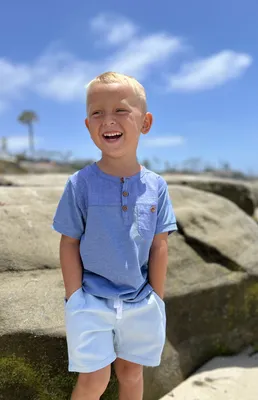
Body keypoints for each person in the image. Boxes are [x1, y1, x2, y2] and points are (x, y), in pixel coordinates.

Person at [52, 71, 177, 400]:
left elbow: (159, 245)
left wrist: (157, 299)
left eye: (121, 110)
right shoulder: (80, 184)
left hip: (140, 301)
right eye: (97, 112)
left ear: (145, 122)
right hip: (90, 301)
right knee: (93, 379)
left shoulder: (156, 186)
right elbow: (69, 242)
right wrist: (75, 298)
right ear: (88, 125)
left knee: (131, 372)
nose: (108, 119)